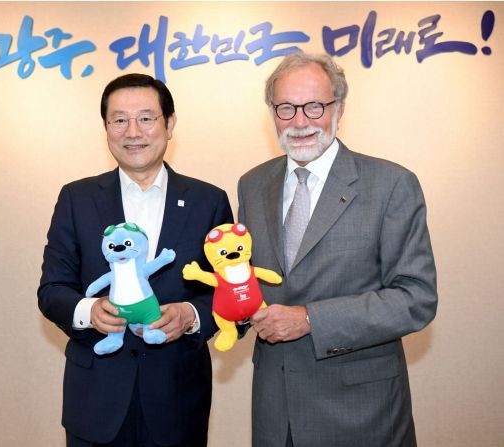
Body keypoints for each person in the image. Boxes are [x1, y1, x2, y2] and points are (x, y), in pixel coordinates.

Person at [237, 52, 437, 447]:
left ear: (339, 108)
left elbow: (416, 298)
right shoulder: (252, 185)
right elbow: (248, 278)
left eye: (314, 106)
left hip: (361, 412)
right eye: (285, 108)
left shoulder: (391, 184)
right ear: (272, 113)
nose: (299, 122)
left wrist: (311, 319)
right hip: (275, 411)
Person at [38, 73, 233, 447]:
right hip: (95, 402)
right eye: (119, 120)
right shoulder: (76, 198)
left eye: (146, 118)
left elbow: (227, 292)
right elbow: (52, 290)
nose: (133, 132)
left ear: (169, 124)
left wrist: (190, 316)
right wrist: (89, 310)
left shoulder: (209, 201)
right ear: (106, 128)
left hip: (178, 401)